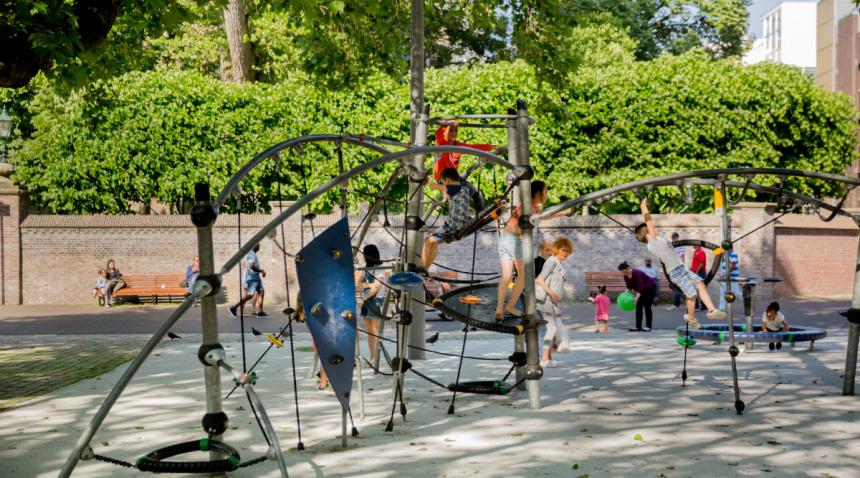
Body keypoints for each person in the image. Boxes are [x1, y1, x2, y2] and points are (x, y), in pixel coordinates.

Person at [637, 197, 725, 328]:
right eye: (649, 229)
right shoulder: (653, 241)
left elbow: (667, 251)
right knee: (692, 295)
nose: (652, 229)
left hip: (681, 268)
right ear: (647, 232)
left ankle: (712, 310)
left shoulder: (657, 241)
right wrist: (643, 207)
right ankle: (690, 317)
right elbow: (649, 221)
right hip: (675, 272)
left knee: (700, 284)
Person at [495, 180, 554, 321]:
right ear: (538, 193)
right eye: (545, 192)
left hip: (503, 239)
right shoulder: (529, 208)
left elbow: (545, 215)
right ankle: (510, 306)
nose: (547, 195)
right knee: (525, 275)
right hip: (514, 240)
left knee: (507, 276)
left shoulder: (530, 207)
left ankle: (499, 309)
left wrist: (563, 212)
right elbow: (518, 227)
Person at [420, 168, 472, 271]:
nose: (444, 185)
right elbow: (449, 196)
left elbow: (432, 186)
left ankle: (421, 268)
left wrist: (426, 178)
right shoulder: (464, 189)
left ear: (447, 180)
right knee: (433, 244)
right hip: (461, 226)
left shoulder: (454, 187)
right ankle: (425, 270)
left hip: (453, 227)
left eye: (443, 182)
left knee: (427, 240)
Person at [536, 237, 573, 367]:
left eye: (567, 251)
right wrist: (552, 294)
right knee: (551, 328)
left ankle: (548, 358)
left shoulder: (558, 263)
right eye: (563, 250)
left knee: (552, 328)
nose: (565, 253)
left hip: (552, 302)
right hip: (546, 300)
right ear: (557, 249)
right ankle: (544, 359)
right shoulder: (551, 261)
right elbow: (539, 280)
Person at [355, 244, 386, 364]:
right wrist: (369, 285)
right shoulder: (366, 268)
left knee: (376, 330)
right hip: (367, 299)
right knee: (369, 330)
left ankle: (377, 358)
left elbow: (376, 288)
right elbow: (360, 284)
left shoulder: (380, 268)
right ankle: (372, 357)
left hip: (375, 301)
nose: (363, 256)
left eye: (365, 254)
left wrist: (364, 298)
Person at [229, 243, 267, 318]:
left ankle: (260, 312)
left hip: (256, 277)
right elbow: (252, 266)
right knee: (250, 295)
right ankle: (233, 308)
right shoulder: (251, 253)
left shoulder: (252, 254)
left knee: (261, 292)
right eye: (258, 245)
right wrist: (261, 270)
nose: (259, 246)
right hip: (252, 278)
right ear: (253, 245)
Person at [618, 262, 657, 332]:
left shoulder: (636, 273)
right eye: (621, 272)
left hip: (650, 289)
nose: (623, 273)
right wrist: (625, 294)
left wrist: (636, 297)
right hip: (641, 290)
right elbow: (628, 286)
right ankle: (638, 327)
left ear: (627, 269)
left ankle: (648, 326)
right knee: (638, 307)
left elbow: (641, 286)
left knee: (647, 307)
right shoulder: (625, 275)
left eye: (623, 271)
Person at [667, 232, 685, 310]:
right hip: (673, 267)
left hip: (678, 268)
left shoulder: (680, 246)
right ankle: (678, 301)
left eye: (675, 238)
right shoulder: (672, 246)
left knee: (676, 286)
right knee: (673, 285)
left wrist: (682, 267)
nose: (674, 240)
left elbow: (682, 257)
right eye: (673, 239)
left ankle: (676, 304)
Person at [690, 243, 708, 311]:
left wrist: (696, 273)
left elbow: (701, 263)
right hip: (696, 273)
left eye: (693, 243)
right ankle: (700, 306)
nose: (692, 245)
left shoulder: (701, 252)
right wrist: (691, 269)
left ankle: (700, 306)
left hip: (700, 273)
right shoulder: (696, 252)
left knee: (699, 290)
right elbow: (696, 263)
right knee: (696, 290)